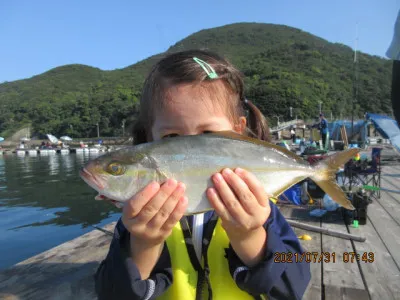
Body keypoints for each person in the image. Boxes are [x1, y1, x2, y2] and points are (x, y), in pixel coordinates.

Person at [94, 50, 311, 300]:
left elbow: (292, 287)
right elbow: (111, 294)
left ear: (238, 132)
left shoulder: (260, 210)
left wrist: (249, 236)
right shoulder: (137, 221)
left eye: (207, 134)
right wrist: (144, 243)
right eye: (172, 138)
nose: (189, 152)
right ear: (149, 138)